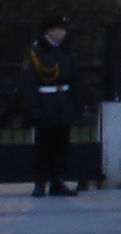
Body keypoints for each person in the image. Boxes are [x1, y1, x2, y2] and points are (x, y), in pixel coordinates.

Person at [22, 14, 81, 197]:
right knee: (44, 146)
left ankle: (58, 180)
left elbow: (74, 79)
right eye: (59, 29)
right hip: (45, 103)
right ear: (49, 31)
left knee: (61, 145)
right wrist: (33, 109)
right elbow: (30, 83)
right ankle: (40, 182)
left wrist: (75, 103)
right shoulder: (36, 52)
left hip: (62, 102)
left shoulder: (65, 51)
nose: (63, 33)